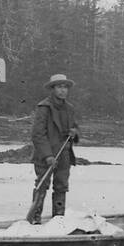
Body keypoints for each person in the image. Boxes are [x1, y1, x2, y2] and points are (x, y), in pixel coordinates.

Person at [28, 73, 81, 223]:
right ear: (53, 89)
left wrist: (75, 133)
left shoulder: (70, 108)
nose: (63, 90)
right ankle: (34, 220)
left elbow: (75, 128)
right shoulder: (43, 108)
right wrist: (48, 156)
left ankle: (58, 220)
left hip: (64, 154)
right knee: (42, 185)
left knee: (61, 186)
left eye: (65, 87)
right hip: (46, 155)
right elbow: (37, 135)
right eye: (59, 87)